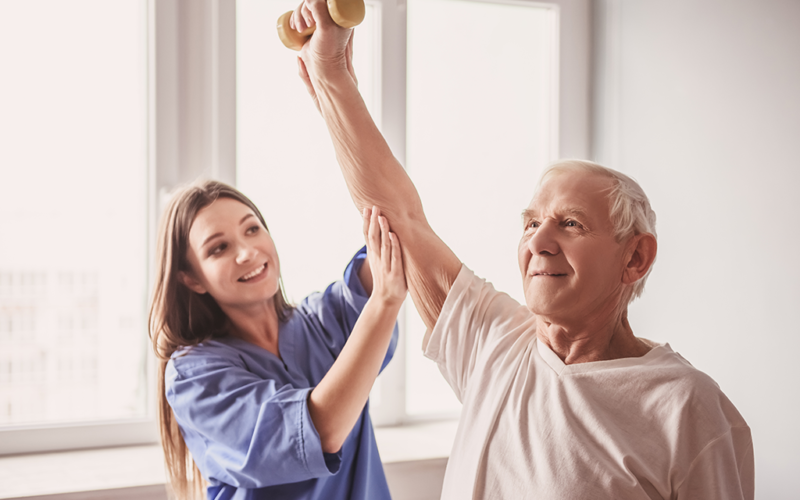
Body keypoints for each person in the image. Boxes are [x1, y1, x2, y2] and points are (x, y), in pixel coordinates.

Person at [286, 4, 755, 498]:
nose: (538, 242)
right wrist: (332, 72)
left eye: (570, 224)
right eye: (531, 223)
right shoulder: (496, 341)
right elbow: (396, 217)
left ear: (635, 258)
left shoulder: (689, 409)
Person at [148, 179, 406, 500]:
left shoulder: (323, 320)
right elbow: (322, 432)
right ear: (191, 278)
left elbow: (398, 228)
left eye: (252, 229)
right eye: (219, 248)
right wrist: (384, 302)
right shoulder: (194, 377)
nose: (247, 252)